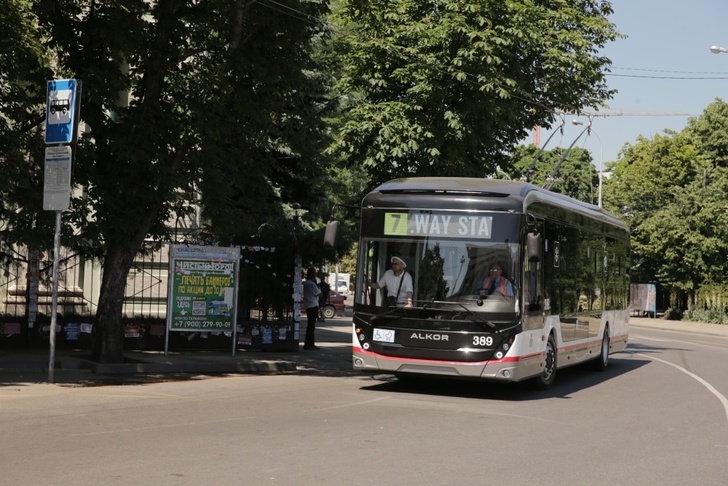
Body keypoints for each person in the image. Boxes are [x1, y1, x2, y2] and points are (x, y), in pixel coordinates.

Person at [302, 267, 321, 350]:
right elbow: (319, 294)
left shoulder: (305, 283)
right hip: (313, 305)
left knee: (310, 325)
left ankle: (309, 343)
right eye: (314, 273)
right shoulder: (312, 284)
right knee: (311, 326)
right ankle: (309, 344)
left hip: (308, 305)